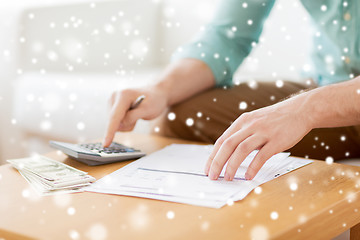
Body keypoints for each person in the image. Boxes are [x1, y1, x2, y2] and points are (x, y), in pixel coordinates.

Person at [103, 0, 360, 180]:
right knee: (180, 116)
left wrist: (305, 109)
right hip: (327, 86)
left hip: (335, 100)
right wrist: (160, 89)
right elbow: (227, 36)